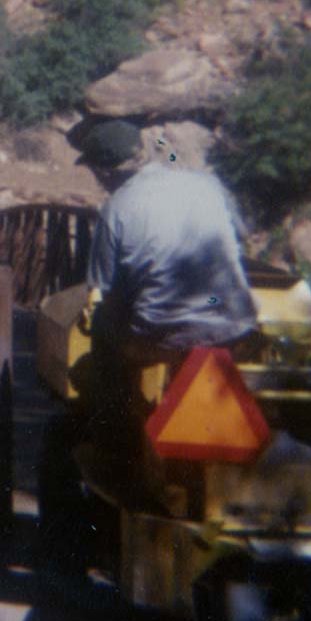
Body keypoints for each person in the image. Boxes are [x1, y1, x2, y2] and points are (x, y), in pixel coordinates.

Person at [72, 118, 258, 511]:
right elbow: (241, 238)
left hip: (163, 336)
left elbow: (103, 289)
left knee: (105, 327)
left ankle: (117, 444)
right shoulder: (207, 185)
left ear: (105, 171)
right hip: (233, 323)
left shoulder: (116, 208)